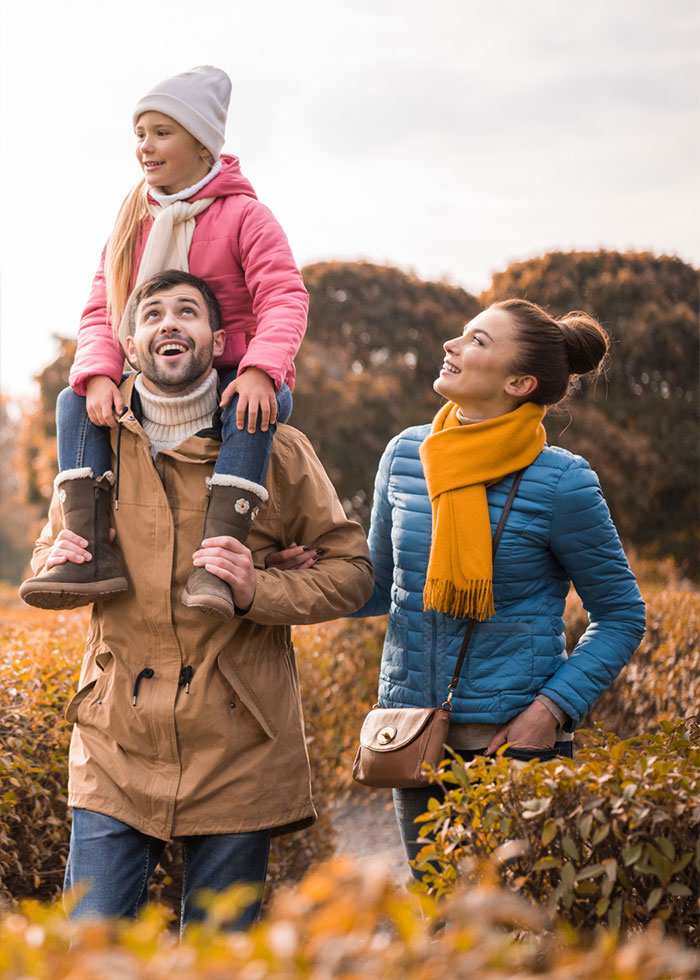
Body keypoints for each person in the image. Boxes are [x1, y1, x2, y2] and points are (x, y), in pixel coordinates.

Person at [22, 270, 373, 931]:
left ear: (218, 342)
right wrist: (58, 557)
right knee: (89, 949)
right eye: (152, 314)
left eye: (187, 312)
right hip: (113, 742)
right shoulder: (91, 451)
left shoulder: (281, 451)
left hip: (237, 745)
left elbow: (353, 573)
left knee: (219, 959)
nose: (169, 324)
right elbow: (48, 554)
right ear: (129, 344)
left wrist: (256, 587)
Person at [352, 298, 646, 874]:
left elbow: (621, 614)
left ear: (519, 382)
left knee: (514, 923)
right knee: (439, 915)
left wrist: (552, 710)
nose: (451, 346)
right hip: (414, 734)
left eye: (477, 341)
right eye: (461, 335)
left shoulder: (562, 480)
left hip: (513, 744)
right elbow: (375, 587)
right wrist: (288, 573)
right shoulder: (407, 455)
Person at [20, 66, 308, 621]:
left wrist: (261, 369)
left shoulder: (247, 215)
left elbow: (285, 297)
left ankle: (217, 559)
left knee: (256, 411)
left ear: (202, 144)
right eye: (139, 133)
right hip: (148, 373)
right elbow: (101, 308)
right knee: (72, 401)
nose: (144, 147)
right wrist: (101, 373)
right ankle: (87, 550)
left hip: (226, 371)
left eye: (160, 132)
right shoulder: (131, 220)